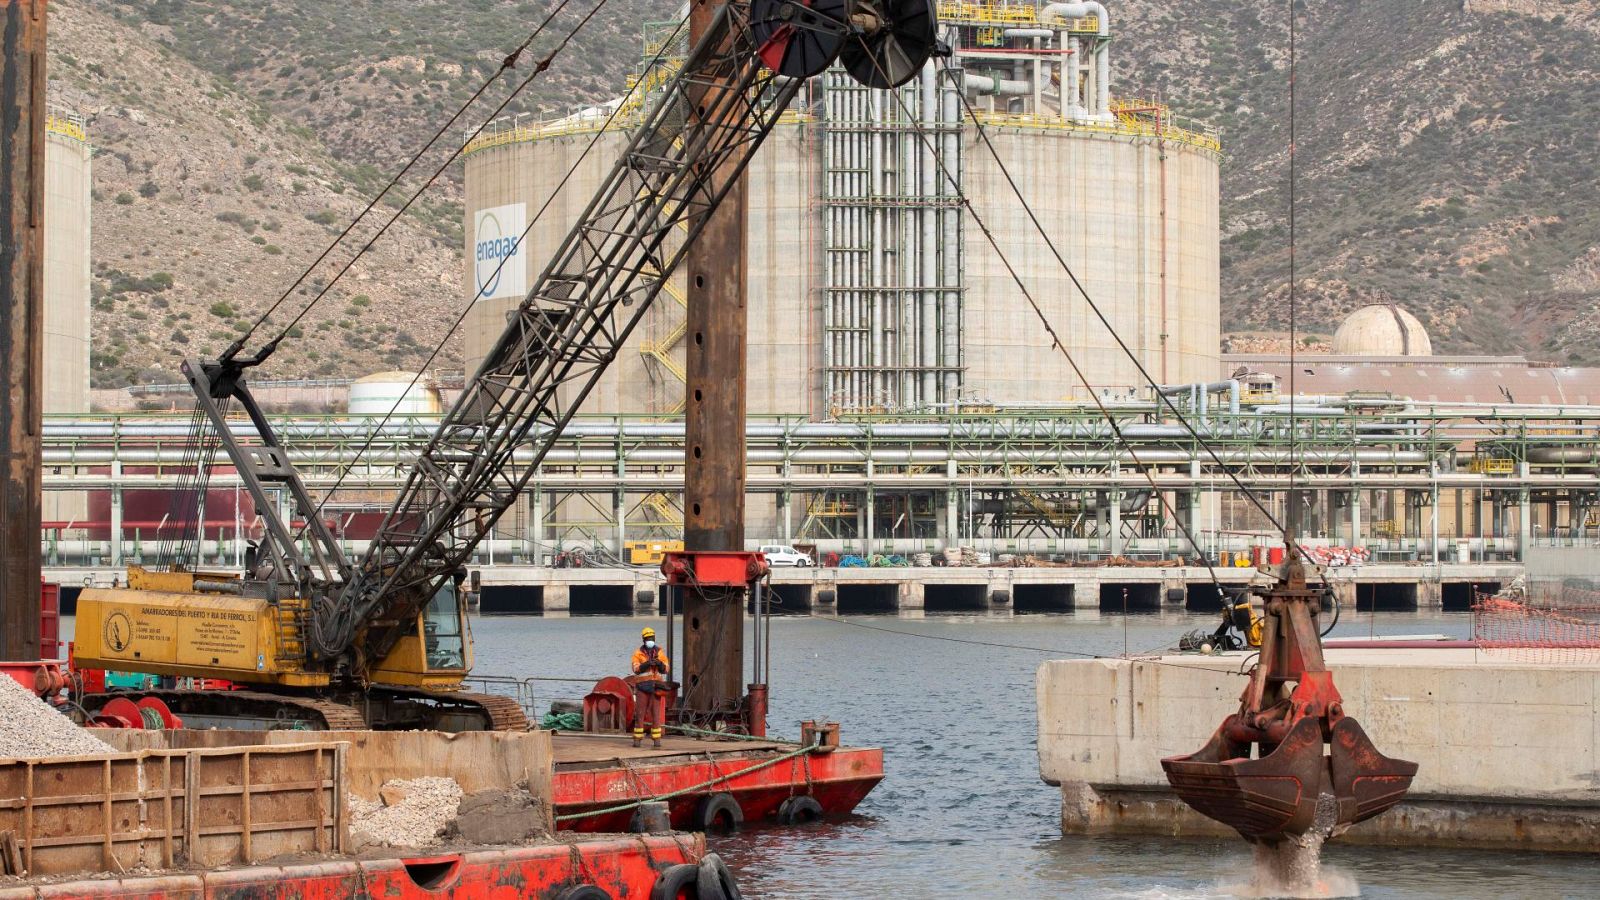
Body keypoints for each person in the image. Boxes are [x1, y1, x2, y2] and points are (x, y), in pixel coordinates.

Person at [630, 626, 670, 748]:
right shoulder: (638, 653)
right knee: (640, 714)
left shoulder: (660, 652)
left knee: (656, 715)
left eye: (651, 638)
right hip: (643, 687)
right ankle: (637, 740)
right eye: (648, 638)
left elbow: (666, 669)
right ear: (643, 639)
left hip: (656, 688)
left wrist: (660, 664)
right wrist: (646, 664)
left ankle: (656, 740)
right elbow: (635, 669)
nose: (650, 640)